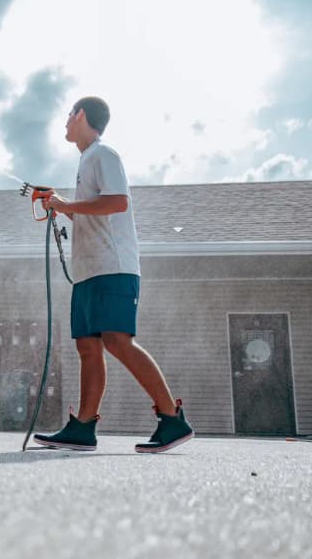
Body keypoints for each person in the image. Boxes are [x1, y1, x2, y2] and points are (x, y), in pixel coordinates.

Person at [33, 96, 194, 453]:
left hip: (113, 267)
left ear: (81, 115)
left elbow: (117, 201)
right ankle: (83, 428)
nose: (64, 123)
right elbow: (94, 213)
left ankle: (172, 418)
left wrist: (64, 204)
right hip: (89, 271)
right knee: (87, 346)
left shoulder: (104, 155)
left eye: (68, 116)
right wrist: (62, 206)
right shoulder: (86, 162)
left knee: (117, 340)